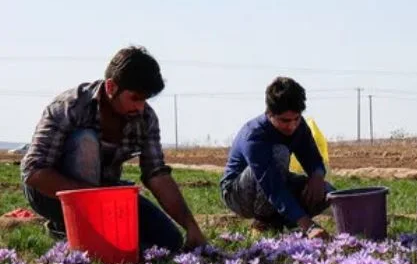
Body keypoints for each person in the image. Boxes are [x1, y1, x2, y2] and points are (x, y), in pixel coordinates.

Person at [21, 46, 206, 253]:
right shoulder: (69, 107)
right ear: (111, 87)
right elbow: (34, 172)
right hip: (51, 194)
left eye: (145, 99)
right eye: (135, 98)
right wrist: (95, 199)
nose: (141, 107)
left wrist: (191, 226)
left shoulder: (145, 118)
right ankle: (68, 227)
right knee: (86, 142)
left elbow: (156, 174)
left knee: (168, 242)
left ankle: (79, 229)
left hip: (104, 193)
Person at [221, 77, 333, 239]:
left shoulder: (299, 126)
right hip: (238, 193)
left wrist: (317, 175)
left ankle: (280, 222)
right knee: (279, 153)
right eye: (285, 121)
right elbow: (272, 186)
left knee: (327, 193)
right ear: (269, 114)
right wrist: (308, 226)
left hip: (275, 183)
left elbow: (313, 158)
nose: (291, 126)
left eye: (296, 119)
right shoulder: (254, 135)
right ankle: (263, 222)